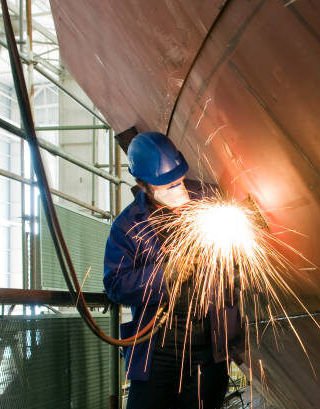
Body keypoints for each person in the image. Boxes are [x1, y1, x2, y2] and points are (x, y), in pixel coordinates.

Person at [103, 132, 243, 409]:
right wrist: (164, 275)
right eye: (167, 185)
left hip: (209, 349)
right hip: (159, 351)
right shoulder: (127, 226)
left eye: (178, 180)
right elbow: (115, 285)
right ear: (143, 185)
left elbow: (240, 266)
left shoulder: (209, 199)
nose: (177, 189)